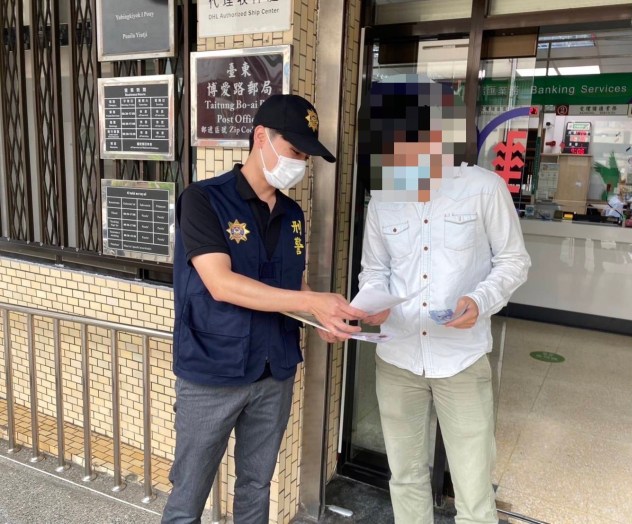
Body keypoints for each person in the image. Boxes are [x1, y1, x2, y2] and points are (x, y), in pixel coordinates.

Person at [162, 94, 365, 524]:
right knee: (188, 495)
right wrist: (310, 302)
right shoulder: (203, 200)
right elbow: (220, 284)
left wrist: (321, 316)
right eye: (295, 150)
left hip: (274, 371)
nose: (300, 163)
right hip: (212, 372)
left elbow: (294, 285)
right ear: (261, 138)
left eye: (305, 156)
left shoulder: (292, 214)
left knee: (256, 486)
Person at [356, 76, 531, 524]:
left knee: (473, 489)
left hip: (461, 359)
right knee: (405, 476)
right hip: (397, 358)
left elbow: (514, 261)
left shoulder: (483, 188)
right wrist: (372, 303)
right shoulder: (382, 199)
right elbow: (374, 269)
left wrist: (480, 299)